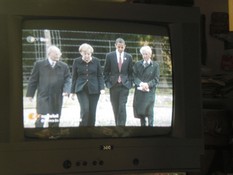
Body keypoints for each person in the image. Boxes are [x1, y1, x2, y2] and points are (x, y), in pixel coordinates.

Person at [26, 45, 71, 128]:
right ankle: (38, 133)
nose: (58, 55)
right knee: (40, 117)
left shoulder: (64, 66)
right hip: (43, 95)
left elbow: (68, 79)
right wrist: (30, 94)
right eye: (56, 53)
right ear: (49, 54)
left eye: (59, 53)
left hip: (57, 96)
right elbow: (33, 80)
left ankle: (53, 135)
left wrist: (66, 91)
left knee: (55, 118)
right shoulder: (39, 65)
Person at [71, 43, 105, 126]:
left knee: (92, 112)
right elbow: (74, 77)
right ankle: (82, 130)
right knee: (85, 110)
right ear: (81, 53)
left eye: (89, 54)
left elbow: (100, 75)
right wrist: (72, 92)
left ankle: (91, 132)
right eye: (85, 54)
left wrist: (102, 89)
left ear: (91, 53)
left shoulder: (96, 61)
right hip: (81, 90)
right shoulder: (76, 61)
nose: (87, 56)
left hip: (94, 90)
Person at [103, 38, 133, 126]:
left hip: (124, 85)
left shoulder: (129, 56)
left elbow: (131, 72)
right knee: (115, 107)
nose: (120, 49)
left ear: (125, 46)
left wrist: (130, 83)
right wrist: (108, 83)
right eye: (118, 47)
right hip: (113, 85)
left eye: (122, 47)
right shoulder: (109, 56)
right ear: (115, 46)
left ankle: (122, 126)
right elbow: (106, 71)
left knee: (122, 107)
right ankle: (117, 125)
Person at [133, 45, 160, 126]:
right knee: (141, 111)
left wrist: (148, 85)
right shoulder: (137, 64)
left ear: (150, 54)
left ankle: (151, 127)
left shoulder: (155, 65)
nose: (144, 56)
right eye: (143, 54)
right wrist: (141, 84)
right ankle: (143, 127)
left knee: (150, 110)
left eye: (146, 54)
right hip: (140, 91)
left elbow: (156, 79)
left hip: (150, 92)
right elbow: (134, 76)